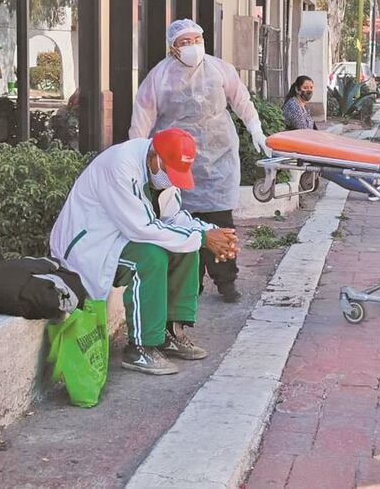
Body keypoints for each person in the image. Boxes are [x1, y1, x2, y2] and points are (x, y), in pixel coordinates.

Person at [50, 128, 240, 376]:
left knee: (186, 249)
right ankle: (140, 348)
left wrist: (214, 233)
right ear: (153, 156)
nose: (171, 180)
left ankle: (169, 333)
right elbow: (141, 228)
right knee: (151, 258)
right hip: (91, 245)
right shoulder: (120, 165)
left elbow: (174, 218)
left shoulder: (160, 167)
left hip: (122, 236)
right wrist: (204, 238)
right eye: (170, 172)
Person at [130, 18, 270, 303]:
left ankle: (227, 282)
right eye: (185, 42)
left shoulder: (219, 69)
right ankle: (190, 286)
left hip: (218, 159)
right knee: (181, 223)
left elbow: (241, 100)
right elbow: (142, 117)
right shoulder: (159, 77)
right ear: (173, 47)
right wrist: (136, 155)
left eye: (196, 40)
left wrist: (256, 129)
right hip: (176, 161)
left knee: (220, 223)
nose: (192, 47)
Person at [282, 75, 380, 200]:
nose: (309, 91)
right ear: (297, 89)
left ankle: (372, 182)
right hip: (303, 147)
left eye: (311, 88)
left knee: (344, 163)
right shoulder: (293, 106)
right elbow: (304, 131)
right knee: (333, 170)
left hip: (309, 145)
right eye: (305, 88)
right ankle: (371, 187)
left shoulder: (300, 105)